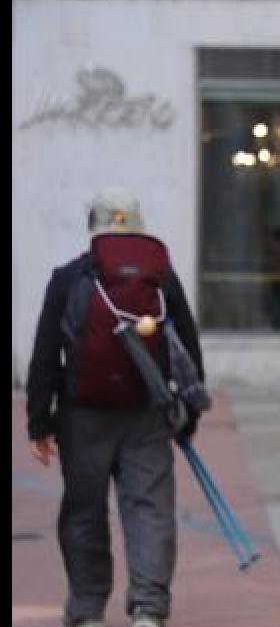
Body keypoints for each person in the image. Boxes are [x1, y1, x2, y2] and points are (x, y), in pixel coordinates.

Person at [26, 190, 205, 627]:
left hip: (81, 414)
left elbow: (46, 353)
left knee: (84, 509)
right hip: (148, 410)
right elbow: (187, 345)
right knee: (149, 509)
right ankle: (148, 608)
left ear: (95, 228)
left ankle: (87, 611)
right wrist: (189, 413)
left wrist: (39, 422)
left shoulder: (70, 276)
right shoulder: (160, 276)